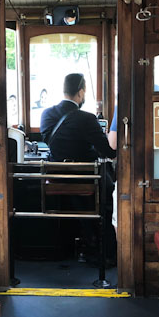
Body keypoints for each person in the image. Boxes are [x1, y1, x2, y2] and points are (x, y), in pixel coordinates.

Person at [40, 73, 117, 264]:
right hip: (85, 179)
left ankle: (82, 242)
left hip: (56, 178)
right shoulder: (87, 118)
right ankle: (104, 249)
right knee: (108, 192)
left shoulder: (46, 115)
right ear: (81, 92)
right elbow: (108, 151)